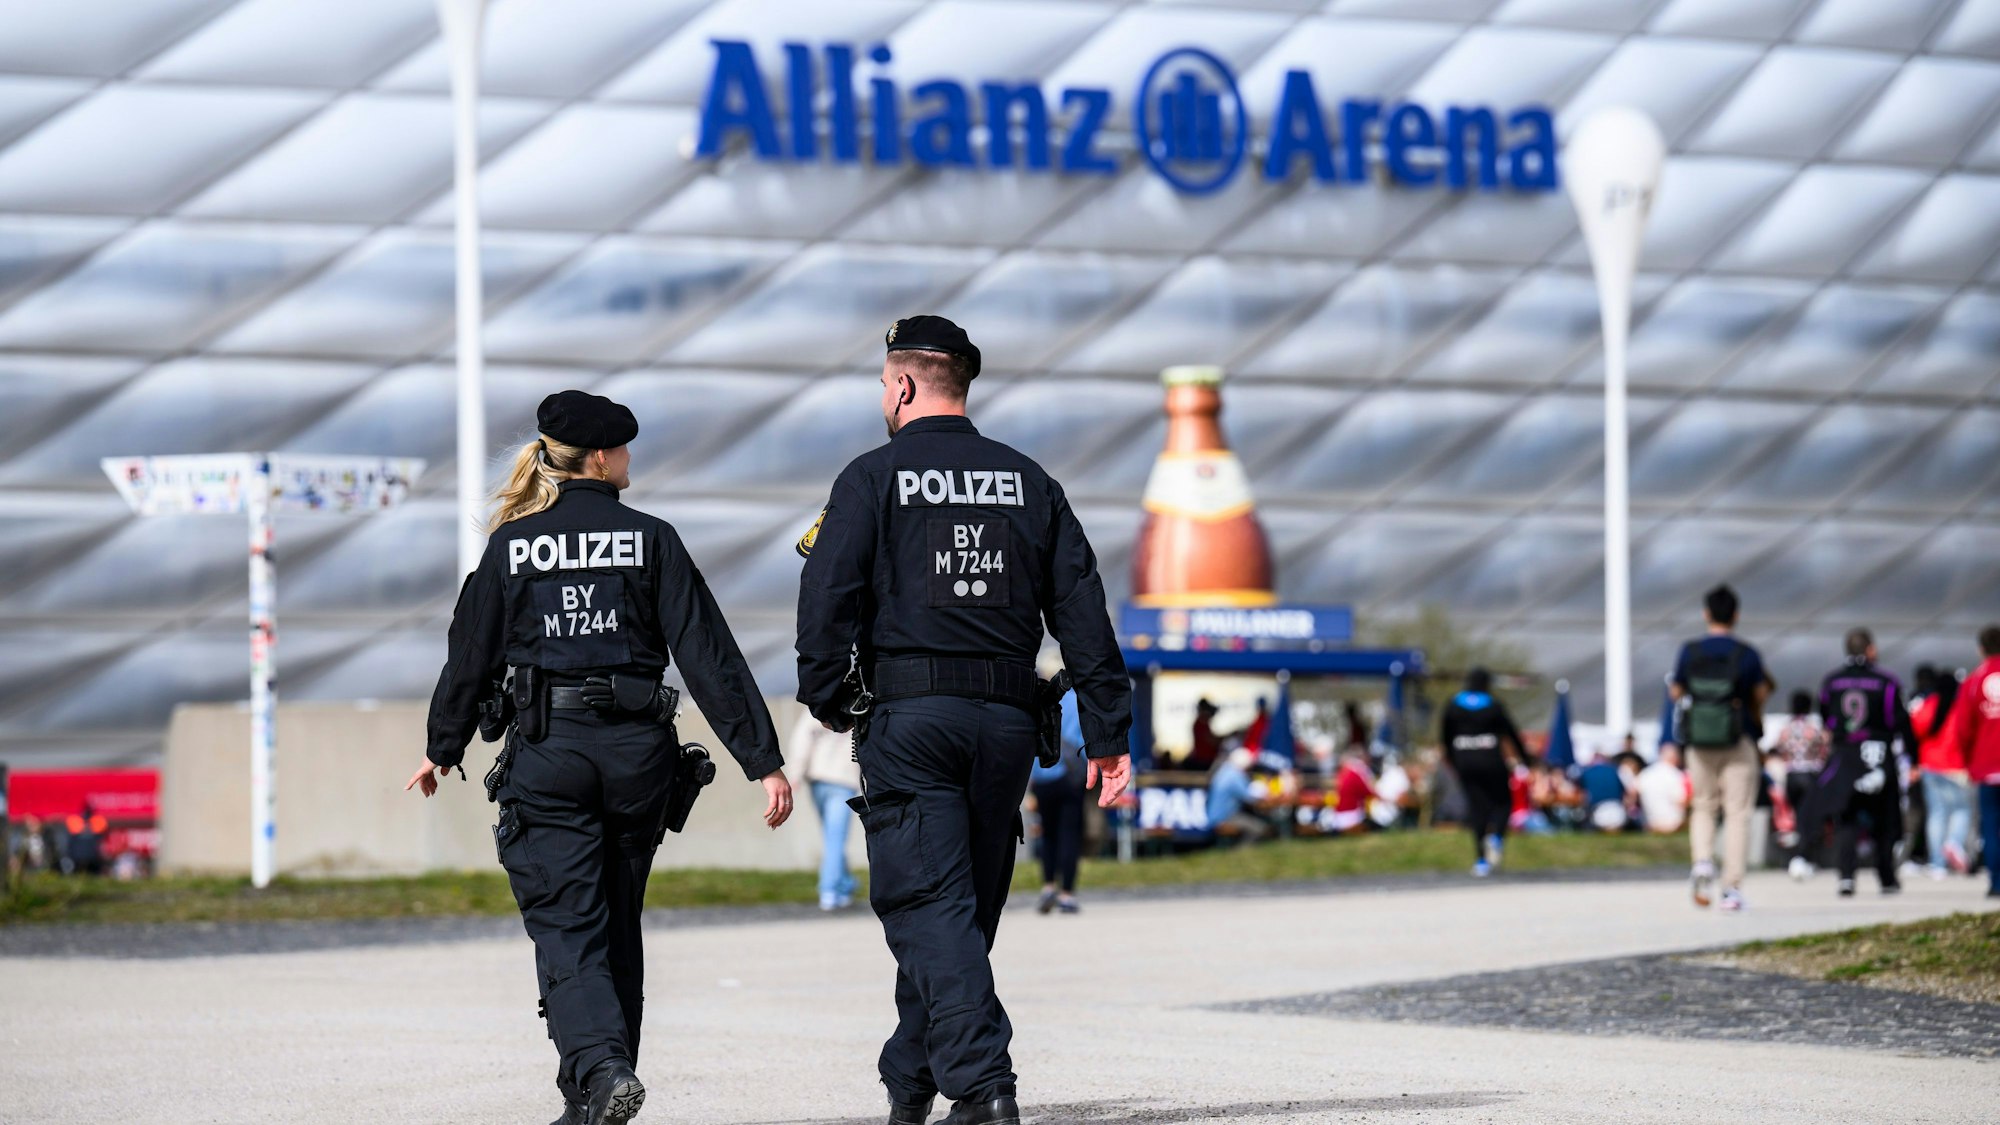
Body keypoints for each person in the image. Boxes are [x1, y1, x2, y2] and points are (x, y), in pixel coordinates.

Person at [407, 390, 793, 1125]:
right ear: (603, 457)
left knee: (566, 922)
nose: (629, 462)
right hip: (638, 755)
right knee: (613, 923)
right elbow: (708, 653)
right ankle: (591, 1097)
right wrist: (761, 758)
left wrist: (442, 745)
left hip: (551, 752)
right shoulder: (653, 539)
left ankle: (602, 1070)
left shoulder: (513, 545)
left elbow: (469, 653)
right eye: (625, 451)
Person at [794, 316, 1133, 1125]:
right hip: (1009, 728)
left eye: (883, 382)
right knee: (960, 908)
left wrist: (830, 697)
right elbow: (1083, 610)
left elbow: (824, 608)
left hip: (912, 721)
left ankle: (983, 1089)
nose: (883, 395)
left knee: (929, 905)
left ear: (904, 384)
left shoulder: (871, 479)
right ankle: (910, 1082)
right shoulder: (1030, 482)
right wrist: (1111, 733)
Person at [1670, 584, 1773, 913]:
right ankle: (1732, 888)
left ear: (1706, 613)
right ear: (1736, 615)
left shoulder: (1690, 651)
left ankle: (1702, 862)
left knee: (1703, 805)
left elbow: (1676, 691)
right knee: (1737, 812)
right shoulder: (1747, 654)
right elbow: (1759, 694)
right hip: (1738, 737)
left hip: (1699, 740)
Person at [1811, 628, 1914, 898]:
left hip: (1846, 754)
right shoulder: (1886, 681)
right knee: (1885, 819)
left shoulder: (1832, 681)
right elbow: (1901, 721)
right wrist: (1914, 758)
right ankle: (1886, 877)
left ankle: (1846, 876)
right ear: (1870, 649)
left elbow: (1825, 715)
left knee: (1847, 817)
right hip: (1879, 753)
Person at [1438, 668, 1525, 875]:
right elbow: (1511, 733)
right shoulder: (1493, 705)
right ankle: (1496, 838)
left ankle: (1481, 861)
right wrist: (1526, 758)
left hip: (1465, 762)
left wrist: (1453, 761)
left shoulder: (1453, 705)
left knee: (1477, 808)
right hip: (1491, 761)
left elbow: (1445, 736)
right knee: (1504, 802)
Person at [788, 707, 862, 910]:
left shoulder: (816, 706)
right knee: (835, 837)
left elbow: (801, 740)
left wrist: (796, 772)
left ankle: (844, 884)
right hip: (840, 780)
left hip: (821, 779)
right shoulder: (856, 707)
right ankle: (829, 889)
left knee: (833, 836)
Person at [1947, 625, 2000, 899]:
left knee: (1990, 825)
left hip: (1988, 767)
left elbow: (1964, 728)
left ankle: (1996, 882)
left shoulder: (1973, 681)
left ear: (1981, 649)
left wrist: (1969, 762)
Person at [1029, 690, 1088, 913]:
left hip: (1042, 775)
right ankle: (1067, 894)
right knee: (1069, 833)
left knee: (1048, 833)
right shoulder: (1080, 699)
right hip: (1069, 774)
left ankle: (1048, 886)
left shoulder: (1043, 697)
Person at [1911, 665, 1970, 879]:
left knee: (1937, 814)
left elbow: (1914, 729)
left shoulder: (1929, 705)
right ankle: (1954, 842)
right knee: (1961, 810)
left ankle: (1937, 863)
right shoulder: (1961, 707)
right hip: (1956, 767)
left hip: (1930, 766)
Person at [1771, 690, 1830, 878]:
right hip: (1810, 776)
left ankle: (1797, 857)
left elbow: (1777, 749)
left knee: (1796, 819)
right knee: (1809, 820)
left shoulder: (1785, 729)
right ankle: (1804, 858)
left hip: (1791, 776)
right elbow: (1825, 750)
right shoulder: (1813, 729)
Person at [1637, 745, 1689, 834]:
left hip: (1650, 822)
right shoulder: (1676, 775)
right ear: (1675, 758)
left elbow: (1633, 793)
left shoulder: (1645, 773)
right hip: (1673, 823)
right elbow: (1681, 801)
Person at [1186, 698, 1222, 770]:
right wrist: (1225, 738)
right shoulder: (1200, 723)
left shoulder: (1203, 723)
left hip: (1206, 760)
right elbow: (1211, 740)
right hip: (1203, 761)